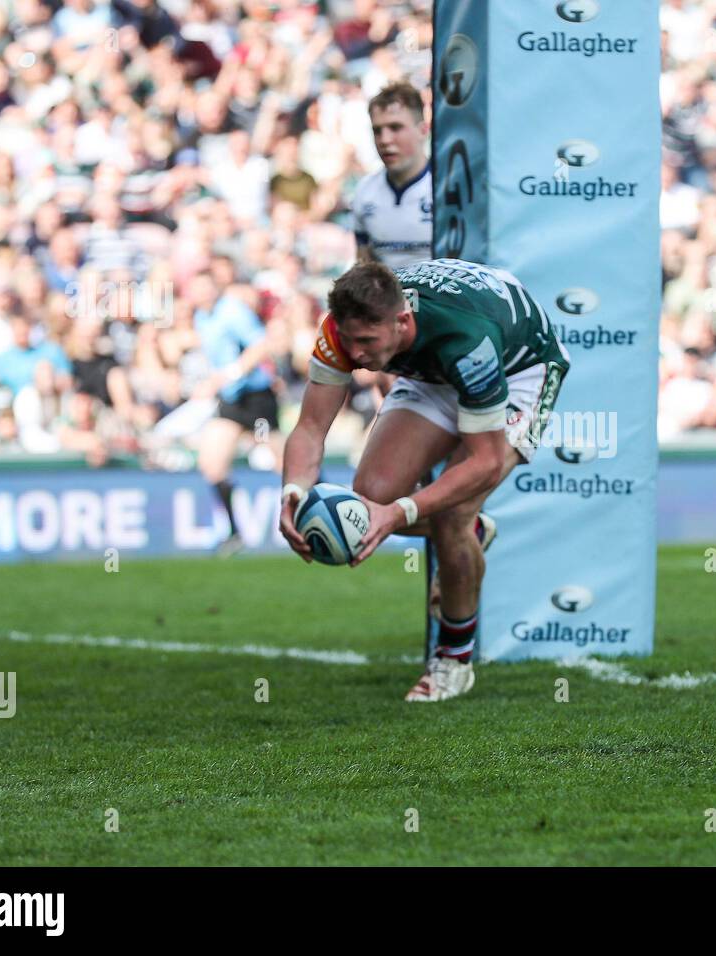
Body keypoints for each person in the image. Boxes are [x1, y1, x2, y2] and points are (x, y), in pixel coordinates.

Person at [278, 259, 570, 702]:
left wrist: (401, 513)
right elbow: (310, 427)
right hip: (433, 371)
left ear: (401, 321)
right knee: (369, 498)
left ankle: (454, 658)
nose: (356, 355)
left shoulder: (466, 340)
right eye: (350, 341)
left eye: (367, 342)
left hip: (517, 367)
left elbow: (485, 463)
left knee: (452, 514)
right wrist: (293, 491)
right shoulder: (342, 331)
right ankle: (469, 532)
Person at [192, 270, 283, 556]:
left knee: (288, 465)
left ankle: (330, 514)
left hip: (256, 398)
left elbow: (261, 346)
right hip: (232, 401)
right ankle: (234, 532)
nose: (203, 293)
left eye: (207, 286)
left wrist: (226, 376)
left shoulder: (232, 311)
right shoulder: (201, 318)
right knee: (211, 465)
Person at [349, 81, 433, 269]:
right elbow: (364, 267)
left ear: (423, 130)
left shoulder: (448, 189)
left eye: (395, 128)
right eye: (377, 131)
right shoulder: (365, 191)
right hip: (388, 297)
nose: (385, 140)